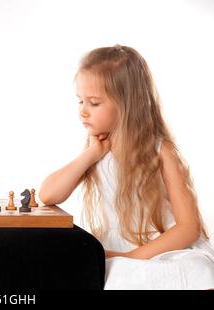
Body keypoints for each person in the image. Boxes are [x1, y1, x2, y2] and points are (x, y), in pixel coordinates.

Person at [39, 45, 214, 289]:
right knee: (104, 273)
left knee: (199, 270)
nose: (82, 111)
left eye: (94, 103)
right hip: (117, 249)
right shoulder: (97, 150)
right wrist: (92, 153)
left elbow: (188, 228)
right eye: (80, 101)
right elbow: (48, 194)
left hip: (165, 248)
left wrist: (131, 258)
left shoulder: (161, 151)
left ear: (126, 105)